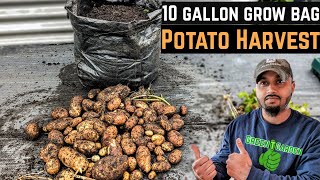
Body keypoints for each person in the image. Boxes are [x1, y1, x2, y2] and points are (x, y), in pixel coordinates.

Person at [191, 59, 320, 179]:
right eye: (264, 83)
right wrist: (209, 172)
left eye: (279, 81)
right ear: (256, 89)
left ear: (292, 87)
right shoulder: (240, 125)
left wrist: (251, 175)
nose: (271, 89)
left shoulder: (313, 133)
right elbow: (224, 162)